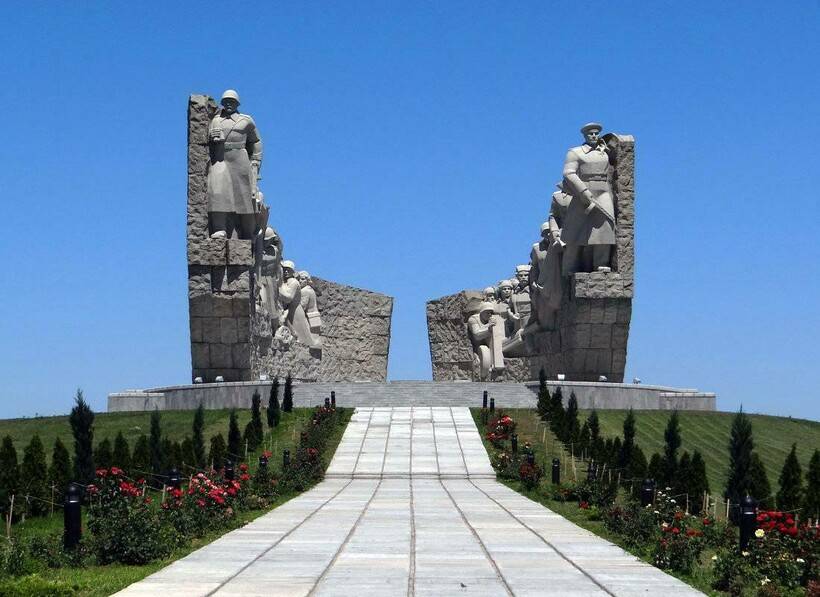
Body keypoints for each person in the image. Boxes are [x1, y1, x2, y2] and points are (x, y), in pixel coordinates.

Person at [207, 89, 263, 240]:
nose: (228, 104)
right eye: (226, 102)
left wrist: (256, 161)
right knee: (217, 192)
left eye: (231, 102)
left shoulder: (246, 120)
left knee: (245, 199)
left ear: (237, 104)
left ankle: (248, 232)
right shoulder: (215, 120)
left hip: (240, 160)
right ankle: (219, 228)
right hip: (220, 158)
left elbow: (256, 142)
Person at [561, 122, 616, 275]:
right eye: (590, 133)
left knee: (606, 224)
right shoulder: (575, 152)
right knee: (576, 230)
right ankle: (571, 265)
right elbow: (568, 173)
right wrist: (583, 191)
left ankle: (601, 262)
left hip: (603, 189)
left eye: (596, 133)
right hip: (584, 190)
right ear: (585, 135)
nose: (593, 136)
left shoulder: (604, 152)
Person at [529, 182, 571, 330]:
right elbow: (534, 269)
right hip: (543, 284)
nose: (548, 235)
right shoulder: (537, 248)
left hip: (559, 279)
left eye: (549, 232)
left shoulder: (560, 245)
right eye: (545, 233)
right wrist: (533, 283)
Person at [278, 261, 321, 349]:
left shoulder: (299, 286)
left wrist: (276, 290)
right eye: (284, 269)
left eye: (288, 270)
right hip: (295, 310)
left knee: (302, 335)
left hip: (296, 312)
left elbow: (291, 299)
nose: (286, 271)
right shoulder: (287, 282)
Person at [467, 302, 505, 381]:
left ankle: (496, 367)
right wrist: (488, 327)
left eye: (491, 312)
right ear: (482, 312)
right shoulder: (473, 319)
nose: (489, 314)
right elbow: (477, 335)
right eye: (487, 312)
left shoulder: (491, 319)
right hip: (476, 347)